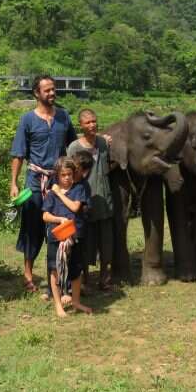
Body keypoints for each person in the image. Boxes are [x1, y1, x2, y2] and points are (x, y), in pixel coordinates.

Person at [9, 75, 77, 293]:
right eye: (47, 90)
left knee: (59, 226)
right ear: (36, 94)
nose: (52, 93)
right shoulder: (27, 120)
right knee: (32, 227)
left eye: (53, 89)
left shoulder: (64, 117)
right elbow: (18, 154)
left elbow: (73, 147)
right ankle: (28, 273)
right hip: (35, 181)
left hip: (58, 183)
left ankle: (58, 275)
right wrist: (14, 183)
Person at [67, 109, 114, 291]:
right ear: (81, 125)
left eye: (94, 121)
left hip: (104, 200)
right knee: (85, 243)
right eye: (88, 122)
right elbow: (70, 175)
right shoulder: (74, 148)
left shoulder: (103, 143)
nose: (92, 125)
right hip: (84, 202)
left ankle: (105, 279)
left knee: (106, 243)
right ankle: (84, 281)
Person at [42, 157, 92, 318]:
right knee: (55, 270)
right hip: (56, 237)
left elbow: (75, 207)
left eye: (69, 174)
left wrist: (57, 192)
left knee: (76, 270)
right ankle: (58, 305)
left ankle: (75, 301)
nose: (67, 178)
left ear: (73, 174)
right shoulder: (50, 194)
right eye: (63, 175)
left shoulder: (78, 189)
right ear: (57, 175)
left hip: (74, 236)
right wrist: (59, 219)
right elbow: (45, 216)